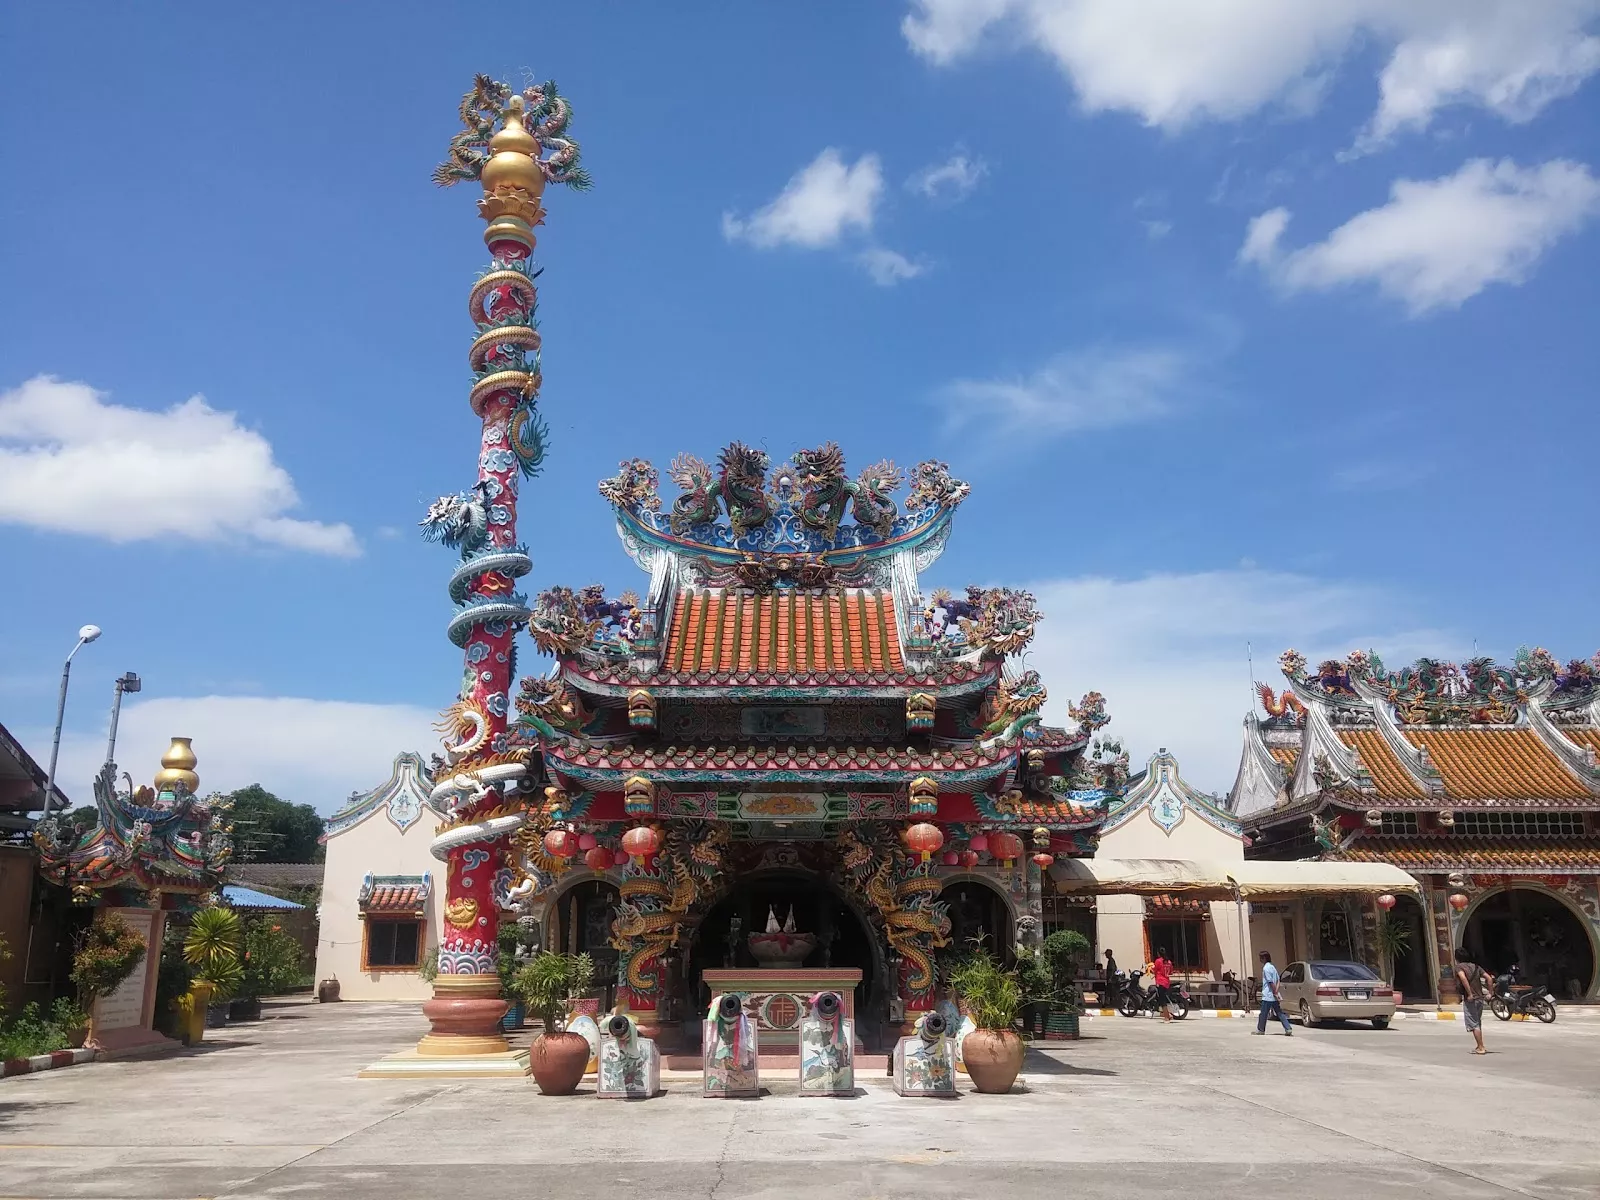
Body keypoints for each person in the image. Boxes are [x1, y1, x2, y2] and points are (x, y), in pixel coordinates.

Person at [1455, 946, 1489, 1055]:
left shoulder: (1459, 967)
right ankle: (1479, 1045)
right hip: (1480, 998)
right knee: (1477, 1022)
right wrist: (1490, 993)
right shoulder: (1476, 967)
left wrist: (1469, 993)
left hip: (1471, 999)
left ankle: (1481, 1046)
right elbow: (1488, 978)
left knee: (1474, 1024)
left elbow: (1463, 978)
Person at [1252, 950, 1293, 1036]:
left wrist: (1274, 991)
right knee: (1279, 1012)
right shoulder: (1273, 967)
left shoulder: (1266, 968)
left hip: (1268, 995)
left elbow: (1270, 982)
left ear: (1264, 958)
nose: (1260, 960)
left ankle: (1261, 1029)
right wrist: (1276, 992)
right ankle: (1288, 1028)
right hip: (1274, 995)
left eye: (1261, 958)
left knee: (1263, 1014)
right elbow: (1278, 980)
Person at [1151, 946, 1174, 1022]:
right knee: (1162, 999)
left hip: (1160, 982)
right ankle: (1167, 1014)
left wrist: (1150, 969)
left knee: (1162, 1000)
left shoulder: (1158, 961)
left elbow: (1154, 970)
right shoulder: (1169, 962)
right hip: (1167, 982)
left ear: (1158, 953)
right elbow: (1171, 972)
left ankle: (1167, 1017)